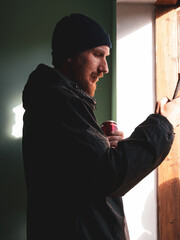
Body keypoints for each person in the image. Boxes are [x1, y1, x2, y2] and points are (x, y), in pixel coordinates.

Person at [22, 13, 180, 240]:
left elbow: (79, 173)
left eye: (106, 57)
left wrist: (101, 147)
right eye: (97, 55)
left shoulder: (57, 100)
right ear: (70, 54)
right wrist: (164, 122)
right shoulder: (57, 100)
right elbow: (110, 175)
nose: (105, 67)